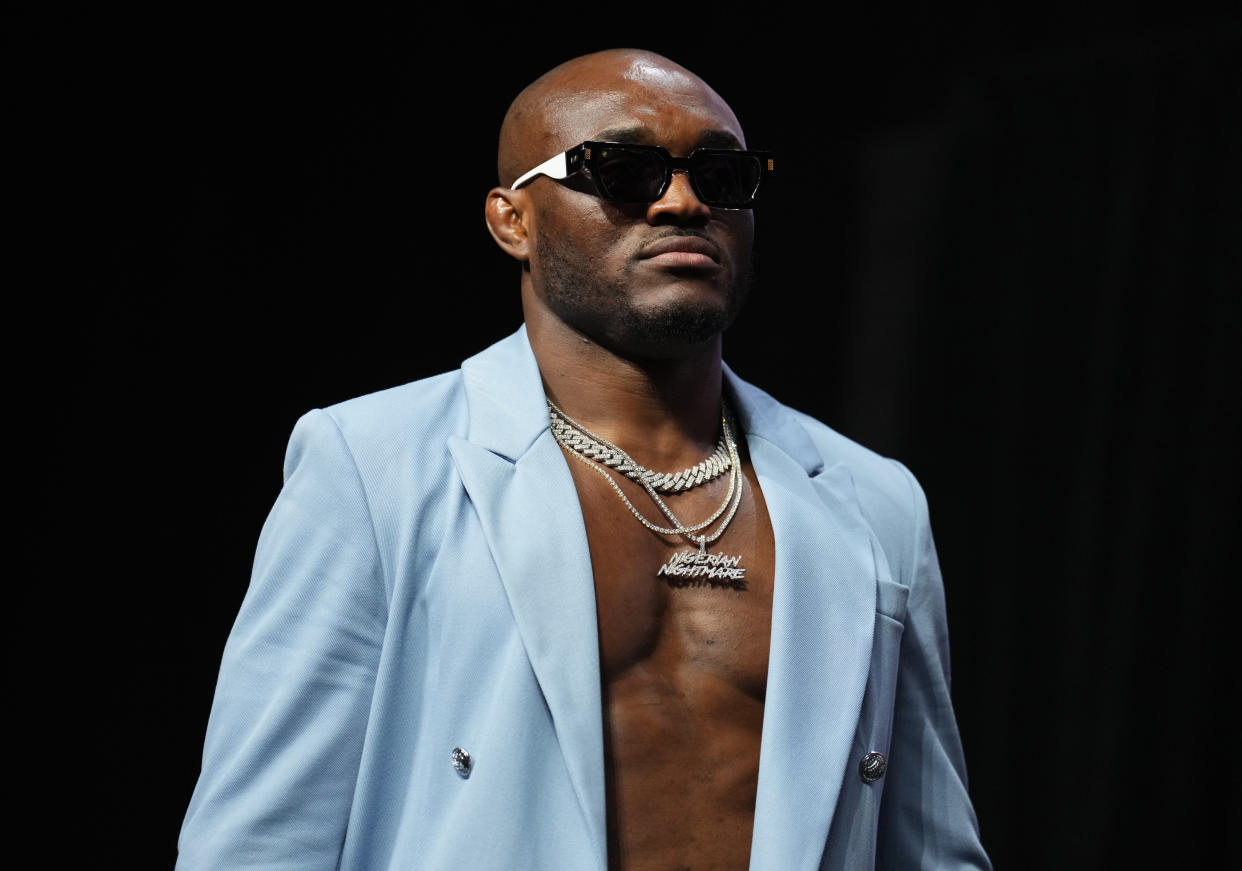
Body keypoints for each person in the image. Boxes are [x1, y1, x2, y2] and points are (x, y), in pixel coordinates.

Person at [177, 48, 991, 870]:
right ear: (512, 220)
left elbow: (930, 847)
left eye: (721, 174)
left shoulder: (874, 502)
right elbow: (259, 841)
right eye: (622, 169)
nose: (682, 201)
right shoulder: (373, 465)